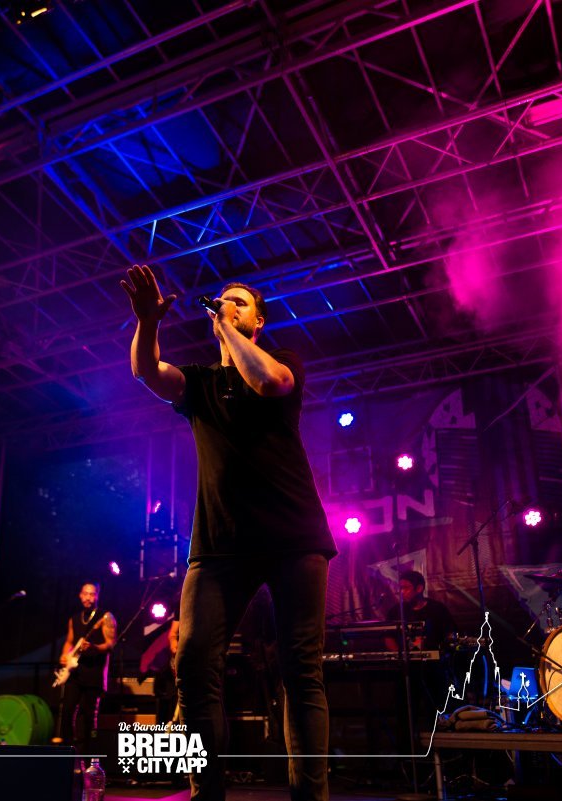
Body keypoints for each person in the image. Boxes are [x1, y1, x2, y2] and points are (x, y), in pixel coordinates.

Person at [120, 264, 336, 801]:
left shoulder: (283, 362)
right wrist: (147, 321)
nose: (228, 305)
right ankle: (206, 794)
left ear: (258, 322)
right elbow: (146, 371)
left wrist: (229, 332)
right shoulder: (199, 382)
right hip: (219, 545)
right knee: (194, 665)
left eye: (240, 303)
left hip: (294, 538)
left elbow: (268, 383)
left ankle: (311, 798)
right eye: (223, 300)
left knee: (300, 671)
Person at [58, 582, 117, 749]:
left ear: (97, 596)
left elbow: (111, 644)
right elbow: (69, 641)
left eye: (92, 594)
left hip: (94, 673)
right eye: (85, 593)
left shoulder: (105, 616)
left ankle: (89, 752)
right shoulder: (74, 619)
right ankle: (69, 750)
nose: (88, 597)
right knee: (67, 711)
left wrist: (94, 648)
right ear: (80, 595)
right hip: (76, 672)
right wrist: (64, 655)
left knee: (90, 716)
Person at [383, 570, 456, 652]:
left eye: (406, 588)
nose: (402, 592)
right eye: (400, 588)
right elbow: (389, 637)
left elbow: (450, 634)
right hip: (404, 658)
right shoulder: (395, 611)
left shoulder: (437, 609)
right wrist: (399, 654)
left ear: (419, 588)